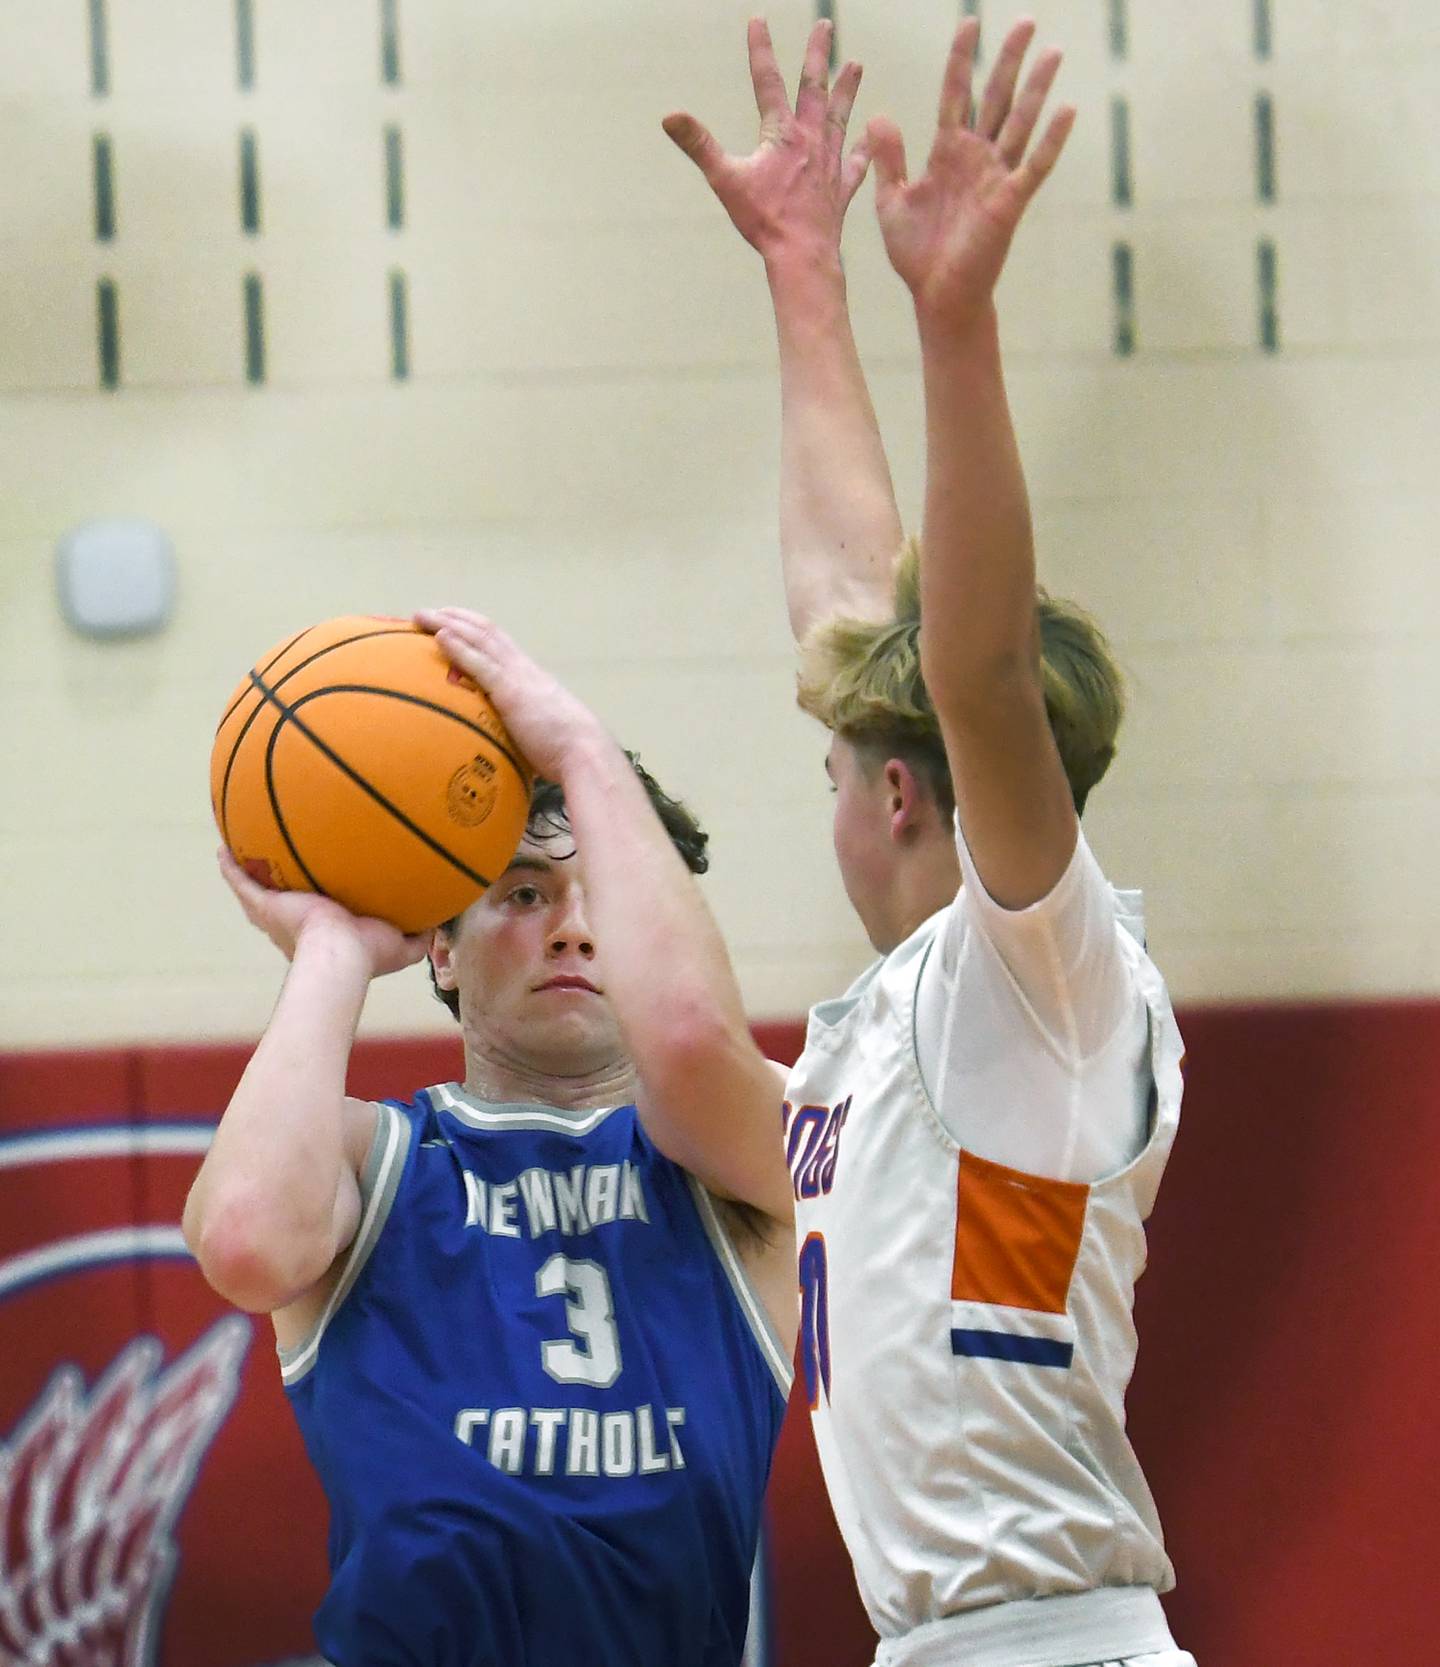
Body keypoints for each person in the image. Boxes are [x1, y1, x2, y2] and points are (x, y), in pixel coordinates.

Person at [665, 17, 1195, 1667]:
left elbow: (959, 677)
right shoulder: (904, 1014)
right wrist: (800, 273)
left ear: (901, 794)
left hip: (1055, 1644)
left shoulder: (1039, 965)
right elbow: (856, 613)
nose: (828, 776)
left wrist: (952, 324)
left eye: (840, 761)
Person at [184, 610, 795, 1667]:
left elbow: (693, 1034)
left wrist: (584, 755)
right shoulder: (375, 1161)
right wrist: (330, 948)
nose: (572, 925)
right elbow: (243, 1242)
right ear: (444, 953)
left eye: (599, 896)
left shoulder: (743, 1156)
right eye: (521, 892)